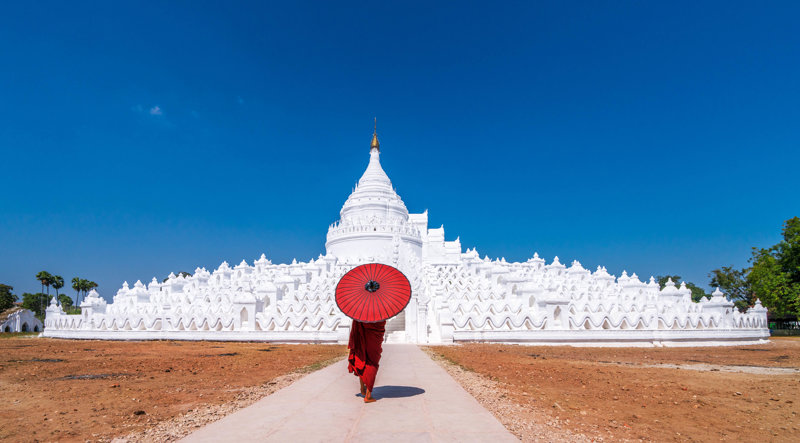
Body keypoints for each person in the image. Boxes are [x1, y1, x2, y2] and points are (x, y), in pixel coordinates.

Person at [347, 319, 386, 403]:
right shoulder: (380, 312)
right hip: (374, 338)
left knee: (362, 359)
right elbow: (382, 321)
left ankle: (362, 388)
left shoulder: (362, 312)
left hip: (362, 332)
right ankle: (368, 396)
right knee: (372, 363)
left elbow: (357, 322)